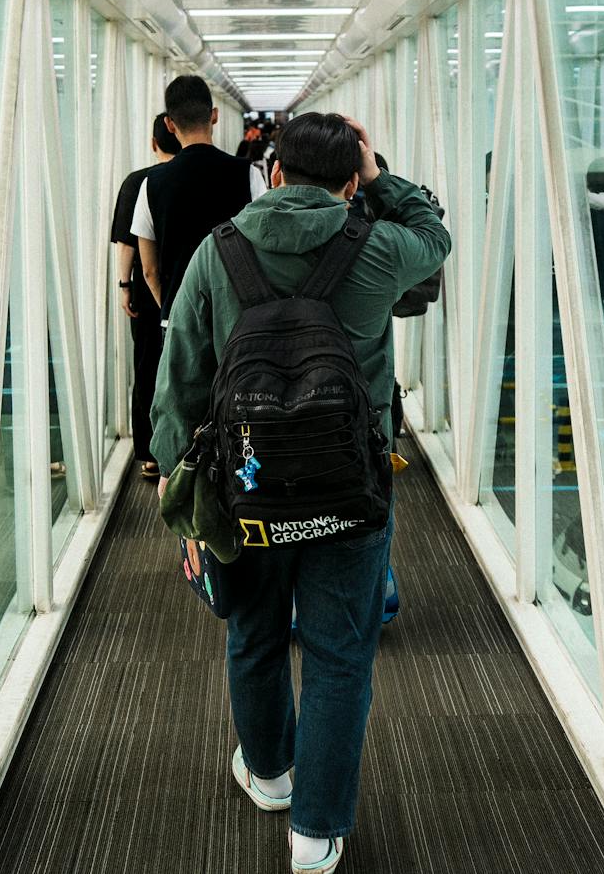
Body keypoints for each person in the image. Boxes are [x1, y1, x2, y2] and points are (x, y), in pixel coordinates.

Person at [151, 113, 451, 873]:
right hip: (351, 489)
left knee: (252, 631)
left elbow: (179, 380)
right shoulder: (376, 246)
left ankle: (271, 773)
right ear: (351, 183)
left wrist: (187, 507)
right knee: (339, 656)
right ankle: (316, 832)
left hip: (243, 489)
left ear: (274, 173)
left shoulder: (218, 254)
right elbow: (435, 239)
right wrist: (382, 177)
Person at [131, 74, 267, 318]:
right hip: (237, 317)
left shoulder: (151, 183)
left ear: (170, 124)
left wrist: (173, 311)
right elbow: (264, 243)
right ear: (214, 115)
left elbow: (149, 270)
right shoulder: (247, 173)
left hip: (178, 315)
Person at [110, 113, 180, 479]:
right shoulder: (186, 178)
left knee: (148, 363)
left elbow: (127, 242)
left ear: (154, 143)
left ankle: (151, 454)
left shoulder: (138, 181)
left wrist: (125, 285)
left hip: (147, 285)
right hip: (184, 281)